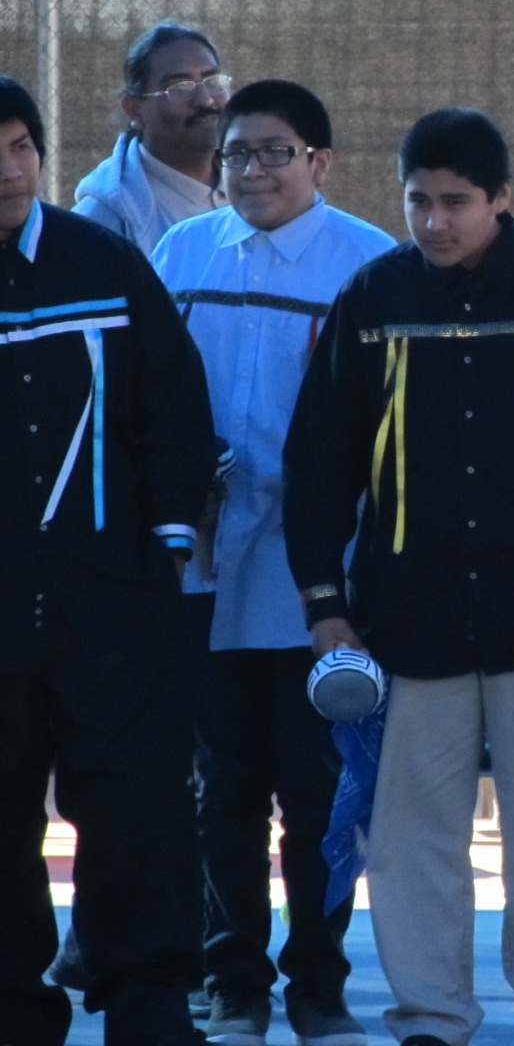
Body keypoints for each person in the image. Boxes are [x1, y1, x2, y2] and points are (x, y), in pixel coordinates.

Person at [282, 107, 514, 1046]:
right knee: (410, 837)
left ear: (504, 198)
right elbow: (317, 466)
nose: (436, 222)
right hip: (406, 620)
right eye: (419, 201)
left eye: (458, 202)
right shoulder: (371, 299)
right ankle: (430, 1017)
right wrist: (326, 608)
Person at [151, 80, 395, 1046]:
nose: (250, 170)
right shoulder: (183, 253)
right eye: (237, 153)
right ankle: (235, 983)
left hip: (322, 581)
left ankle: (319, 986)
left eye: (274, 152)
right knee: (222, 790)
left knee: (320, 788)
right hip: (207, 571)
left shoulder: (371, 262)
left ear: (321, 163)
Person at [0, 74, 214, 1046]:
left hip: (114, 606)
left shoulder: (104, 265)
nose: (7, 170)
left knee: (137, 814)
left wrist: (166, 551)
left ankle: (149, 1003)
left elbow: (173, 411)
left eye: (19, 146)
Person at [74, 21, 230, 255]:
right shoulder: (103, 223)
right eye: (180, 88)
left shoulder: (260, 185)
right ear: (135, 109)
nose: (205, 100)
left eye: (213, 81)